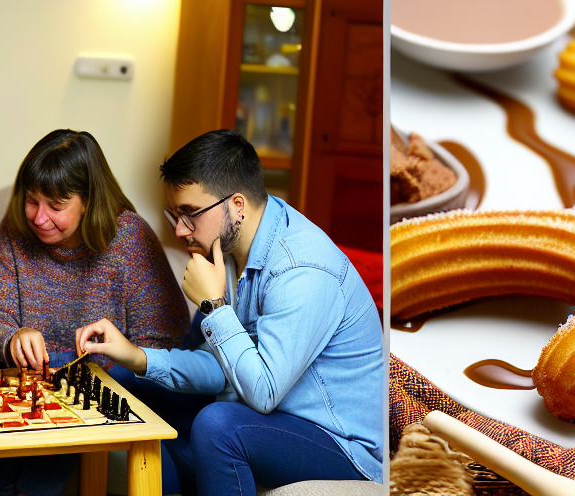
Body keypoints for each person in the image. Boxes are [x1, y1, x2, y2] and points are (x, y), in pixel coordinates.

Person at [80, 130, 383, 496]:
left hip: (338, 443)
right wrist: (136, 357)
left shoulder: (301, 269)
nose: (179, 230)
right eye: (175, 215)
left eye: (190, 214)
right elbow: (218, 371)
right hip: (270, 421)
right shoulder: (227, 252)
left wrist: (214, 306)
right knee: (127, 386)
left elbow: (263, 392)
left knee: (216, 424)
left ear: (237, 204)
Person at [0, 129, 188, 496]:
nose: (39, 218)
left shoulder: (130, 239)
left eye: (56, 207)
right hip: (31, 379)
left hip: (105, 381)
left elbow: (167, 343)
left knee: (64, 389)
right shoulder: (14, 230)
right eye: (31, 201)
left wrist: (98, 361)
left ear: (89, 200)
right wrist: (11, 339)